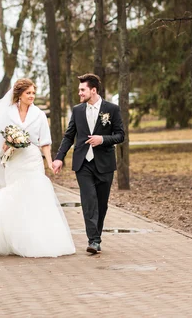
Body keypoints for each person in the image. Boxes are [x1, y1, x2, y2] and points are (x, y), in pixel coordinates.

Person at [0, 78, 75, 257]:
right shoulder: (7, 112)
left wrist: (50, 162)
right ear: (19, 95)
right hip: (14, 160)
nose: (32, 96)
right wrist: (7, 146)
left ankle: (36, 239)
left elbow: (45, 142)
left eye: (33, 93)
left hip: (33, 159)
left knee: (35, 196)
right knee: (15, 196)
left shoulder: (39, 115)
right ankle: (12, 238)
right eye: (28, 93)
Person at [52, 74, 125, 254]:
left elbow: (120, 135)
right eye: (79, 90)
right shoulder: (77, 110)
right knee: (88, 200)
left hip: (105, 164)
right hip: (83, 163)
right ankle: (93, 240)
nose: (79, 93)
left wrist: (103, 139)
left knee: (101, 204)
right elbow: (69, 136)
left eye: (82, 90)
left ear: (93, 90)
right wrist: (59, 157)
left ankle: (96, 238)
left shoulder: (112, 109)